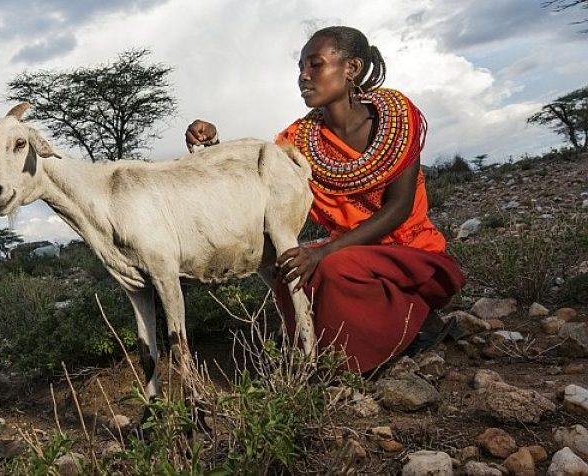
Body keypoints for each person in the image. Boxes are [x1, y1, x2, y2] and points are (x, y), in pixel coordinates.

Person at [186, 26, 465, 374]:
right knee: (291, 264)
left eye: (315, 65)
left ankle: (398, 338)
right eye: (301, 67)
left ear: (351, 69)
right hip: (353, 250)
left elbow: (398, 209)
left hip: (413, 251)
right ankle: (334, 348)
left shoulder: (396, 118)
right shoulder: (299, 140)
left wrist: (322, 253)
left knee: (331, 267)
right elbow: (259, 174)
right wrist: (214, 146)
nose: (303, 76)